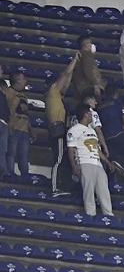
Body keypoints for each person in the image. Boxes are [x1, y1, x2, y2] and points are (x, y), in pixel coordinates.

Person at [66, 104, 114, 217]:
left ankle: (108, 213)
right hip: (84, 162)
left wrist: (107, 162)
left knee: (103, 190)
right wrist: (74, 166)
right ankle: (90, 213)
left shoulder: (92, 131)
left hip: (97, 163)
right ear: (86, 115)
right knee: (88, 190)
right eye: (90, 114)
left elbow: (97, 149)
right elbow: (71, 150)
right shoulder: (74, 130)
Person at [44, 53, 79, 196]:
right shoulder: (52, 91)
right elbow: (65, 74)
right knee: (58, 159)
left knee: (62, 159)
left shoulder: (56, 96)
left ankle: (62, 186)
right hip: (57, 128)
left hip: (60, 128)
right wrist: (75, 60)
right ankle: (54, 189)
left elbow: (67, 81)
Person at [6, 72, 34, 178]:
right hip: (12, 127)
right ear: (18, 80)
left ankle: (25, 175)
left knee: (24, 155)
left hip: (24, 130)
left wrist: (31, 130)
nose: (25, 81)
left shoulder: (24, 96)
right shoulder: (8, 92)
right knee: (11, 152)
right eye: (23, 79)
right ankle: (10, 173)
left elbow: (26, 114)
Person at [72, 35, 107, 100]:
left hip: (80, 87)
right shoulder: (87, 54)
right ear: (85, 44)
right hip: (86, 86)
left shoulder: (80, 54)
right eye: (90, 43)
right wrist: (96, 84)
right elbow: (88, 70)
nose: (91, 45)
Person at [0, 65, 9, 179]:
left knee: (2, 150)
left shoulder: (2, 91)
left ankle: (3, 171)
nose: (2, 71)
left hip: (3, 122)